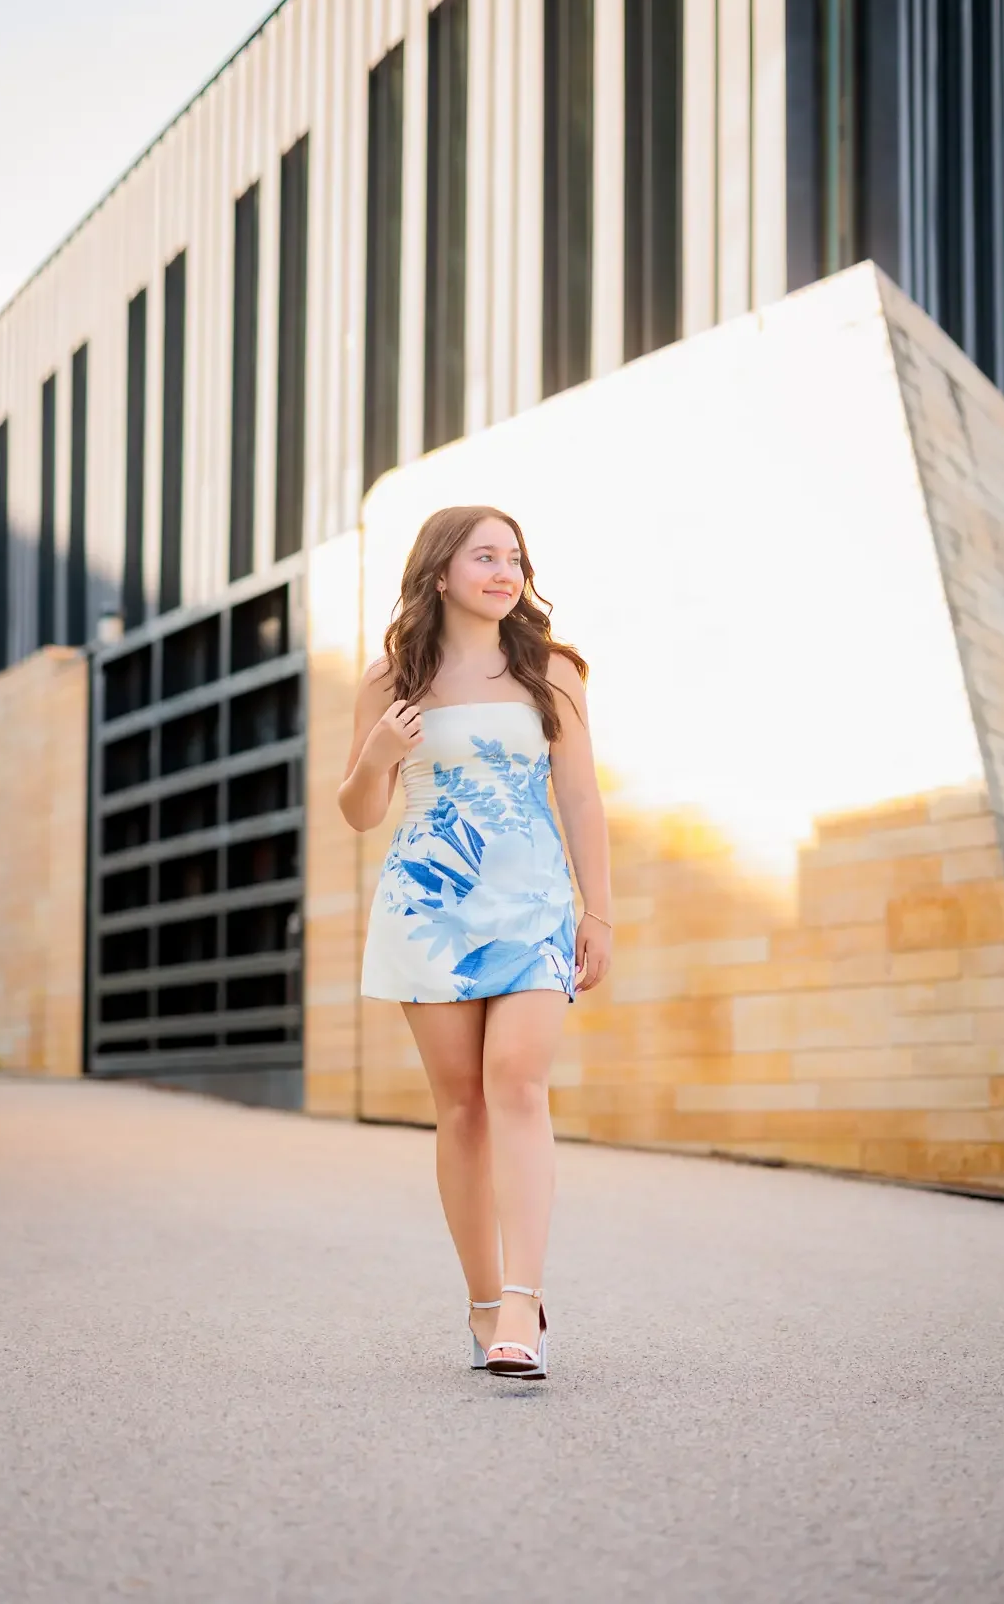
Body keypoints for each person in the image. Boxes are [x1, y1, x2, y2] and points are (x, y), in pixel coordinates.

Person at [337, 505, 612, 1380]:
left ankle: (525, 1308)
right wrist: (378, 753)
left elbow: (579, 799)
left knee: (517, 1087)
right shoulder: (391, 680)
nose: (504, 572)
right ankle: (483, 1302)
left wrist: (595, 913)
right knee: (461, 1106)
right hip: (431, 908)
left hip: (532, 907)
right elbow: (358, 812)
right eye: (484, 556)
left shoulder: (551, 672)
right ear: (441, 571)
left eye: (514, 558)